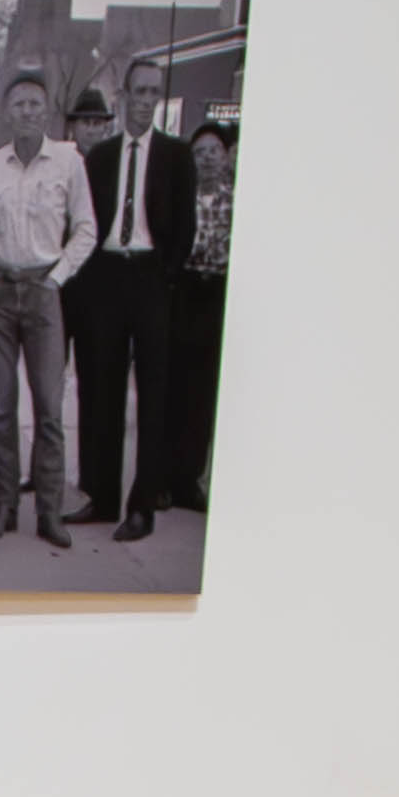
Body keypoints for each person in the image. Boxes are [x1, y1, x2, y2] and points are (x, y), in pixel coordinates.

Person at [0, 68, 91, 550]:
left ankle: (49, 511)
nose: (27, 112)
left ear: (48, 111)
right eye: (18, 104)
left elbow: (86, 229)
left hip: (44, 291)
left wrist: (57, 277)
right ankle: (5, 507)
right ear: (4, 112)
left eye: (35, 104)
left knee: (49, 410)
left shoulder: (67, 163)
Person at [72, 52, 189, 537]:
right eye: (137, 93)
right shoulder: (100, 157)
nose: (144, 103)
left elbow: (185, 228)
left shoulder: (176, 156)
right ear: (122, 97)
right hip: (106, 277)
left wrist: (164, 275)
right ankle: (101, 496)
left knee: (153, 393)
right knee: (102, 387)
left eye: (152, 94)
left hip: (150, 277)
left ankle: (142, 504)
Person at [166, 116, 236, 513]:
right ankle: (160, 477)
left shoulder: (241, 197)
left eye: (214, 151)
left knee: (203, 392)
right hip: (185, 291)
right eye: (200, 153)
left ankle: (188, 480)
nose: (207, 159)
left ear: (227, 157)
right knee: (172, 386)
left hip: (218, 294)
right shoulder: (184, 195)